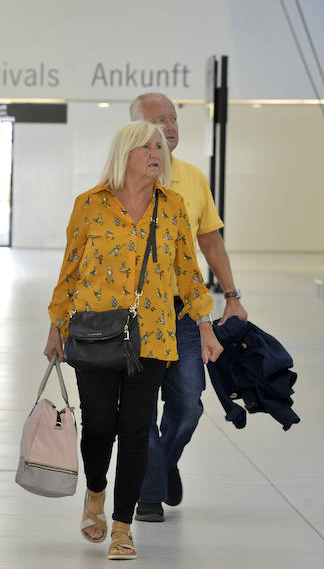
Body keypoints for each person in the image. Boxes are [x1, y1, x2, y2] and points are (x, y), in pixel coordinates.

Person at [44, 121, 223, 560]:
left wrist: (205, 324)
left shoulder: (174, 206)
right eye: (145, 146)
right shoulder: (89, 205)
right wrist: (56, 325)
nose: (155, 153)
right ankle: (95, 494)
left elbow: (188, 272)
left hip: (155, 335)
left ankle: (122, 526)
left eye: (158, 147)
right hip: (96, 333)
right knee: (101, 423)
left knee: (137, 429)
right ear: (124, 154)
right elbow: (70, 270)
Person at [130, 93, 249, 522]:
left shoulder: (194, 179)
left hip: (183, 312)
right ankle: (148, 493)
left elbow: (210, 241)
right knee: (140, 406)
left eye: (174, 118)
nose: (170, 126)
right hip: (134, 314)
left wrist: (232, 297)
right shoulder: (119, 181)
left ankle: (163, 465)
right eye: (159, 120)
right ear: (134, 131)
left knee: (189, 403)